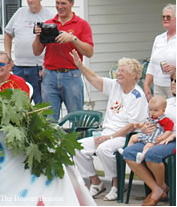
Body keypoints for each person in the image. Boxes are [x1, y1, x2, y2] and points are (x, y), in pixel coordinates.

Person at [71, 51, 148, 202]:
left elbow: (132, 126)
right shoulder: (114, 86)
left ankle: (117, 185)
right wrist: (80, 65)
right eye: (118, 70)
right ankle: (96, 183)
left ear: (134, 75)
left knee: (104, 149)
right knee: (77, 147)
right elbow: (94, 78)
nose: (118, 73)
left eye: (122, 71)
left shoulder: (137, 96)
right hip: (107, 133)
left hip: (125, 137)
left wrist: (110, 137)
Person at [33, 0, 94, 120]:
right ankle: (52, 141)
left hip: (71, 74)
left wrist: (73, 39)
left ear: (71, 4)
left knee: (77, 118)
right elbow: (36, 51)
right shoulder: (49, 24)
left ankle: (79, 141)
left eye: (63, 4)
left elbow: (89, 52)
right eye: (57, 3)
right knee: (49, 120)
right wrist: (38, 35)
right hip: (50, 75)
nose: (60, 7)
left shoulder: (82, 25)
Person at [123, 71, 176, 206]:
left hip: (171, 139)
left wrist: (171, 136)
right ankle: (158, 188)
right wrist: (145, 128)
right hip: (155, 137)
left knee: (152, 154)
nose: (173, 83)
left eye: (176, 81)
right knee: (128, 153)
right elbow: (152, 119)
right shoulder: (167, 102)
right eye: (172, 80)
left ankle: (159, 188)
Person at [4, 0, 54, 103]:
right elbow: (8, 34)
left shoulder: (49, 15)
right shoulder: (20, 12)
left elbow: (53, 44)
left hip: (38, 68)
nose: (30, 0)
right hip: (19, 67)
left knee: (39, 102)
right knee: (17, 102)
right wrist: (8, 57)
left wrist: (46, 66)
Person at [124, 95, 174, 164]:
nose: (152, 112)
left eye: (155, 110)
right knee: (133, 137)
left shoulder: (165, 120)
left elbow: (169, 131)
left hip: (154, 138)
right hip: (146, 136)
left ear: (163, 111)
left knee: (148, 146)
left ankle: (142, 156)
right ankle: (126, 149)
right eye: (150, 110)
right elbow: (145, 123)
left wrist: (162, 138)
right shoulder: (151, 117)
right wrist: (139, 125)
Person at [143, 4, 176, 101]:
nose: (165, 19)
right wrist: (146, 84)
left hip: (174, 86)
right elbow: (152, 63)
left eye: (168, 17)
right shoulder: (159, 38)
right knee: (158, 113)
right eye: (163, 17)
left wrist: (175, 67)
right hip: (158, 85)